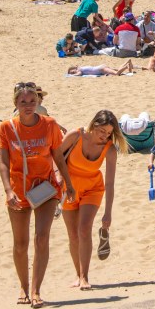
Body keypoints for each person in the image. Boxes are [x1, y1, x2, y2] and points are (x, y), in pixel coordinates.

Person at [0, 82, 75, 309]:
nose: (28, 106)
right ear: (15, 103)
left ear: (39, 102)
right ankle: (23, 285)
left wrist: (68, 183)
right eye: (23, 102)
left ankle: (36, 290)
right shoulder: (6, 128)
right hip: (18, 191)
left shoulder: (49, 125)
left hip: (46, 188)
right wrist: (8, 190)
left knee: (42, 238)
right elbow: (3, 162)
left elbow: (58, 157)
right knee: (20, 244)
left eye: (33, 101)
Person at [58, 110, 125, 290]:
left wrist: (108, 213)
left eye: (109, 133)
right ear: (93, 124)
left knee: (84, 228)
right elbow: (55, 157)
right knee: (73, 234)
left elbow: (110, 183)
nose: (105, 136)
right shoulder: (76, 135)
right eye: (102, 131)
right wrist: (59, 179)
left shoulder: (109, 149)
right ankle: (77, 274)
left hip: (93, 188)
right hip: (69, 188)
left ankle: (85, 277)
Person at [66, 61, 134, 76]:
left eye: (72, 71)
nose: (73, 72)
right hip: (101, 67)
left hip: (101, 69)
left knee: (116, 73)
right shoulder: (80, 67)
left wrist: (72, 75)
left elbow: (79, 74)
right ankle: (127, 62)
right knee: (117, 70)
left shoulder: (79, 69)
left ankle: (126, 66)